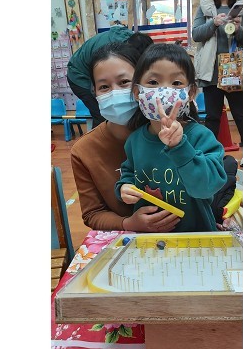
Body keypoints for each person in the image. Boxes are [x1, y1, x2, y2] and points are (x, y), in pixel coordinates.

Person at [70, 42, 181, 233]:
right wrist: (128, 223)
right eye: (104, 87)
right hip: (129, 239)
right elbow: (92, 213)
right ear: (94, 92)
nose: (115, 93)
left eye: (124, 82)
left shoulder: (174, 134)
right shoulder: (84, 151)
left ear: (142, 85)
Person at [116, 43, 227, 232]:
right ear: (137, 92)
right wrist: (124, 187)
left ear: (190, 92)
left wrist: (179, 147)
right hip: (149, 237)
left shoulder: (201, 136)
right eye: (153, 82)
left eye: (176, 83)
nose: (164, 91)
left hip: (196, 234)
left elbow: (207, 188)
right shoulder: (134, 141)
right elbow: (128, 172)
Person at [192, 0, 243, 146]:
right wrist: (213, 23)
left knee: (241, 115)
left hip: (237, 72)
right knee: (212, 118)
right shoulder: (205, 4)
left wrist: (238, 30)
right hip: (211, 72)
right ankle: (210, 156)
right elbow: (196, 34)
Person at [67, 26, 153, 128]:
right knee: (99, 113)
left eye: (124, 82)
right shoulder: (109, 53)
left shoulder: (131, 40)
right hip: (78, 75)